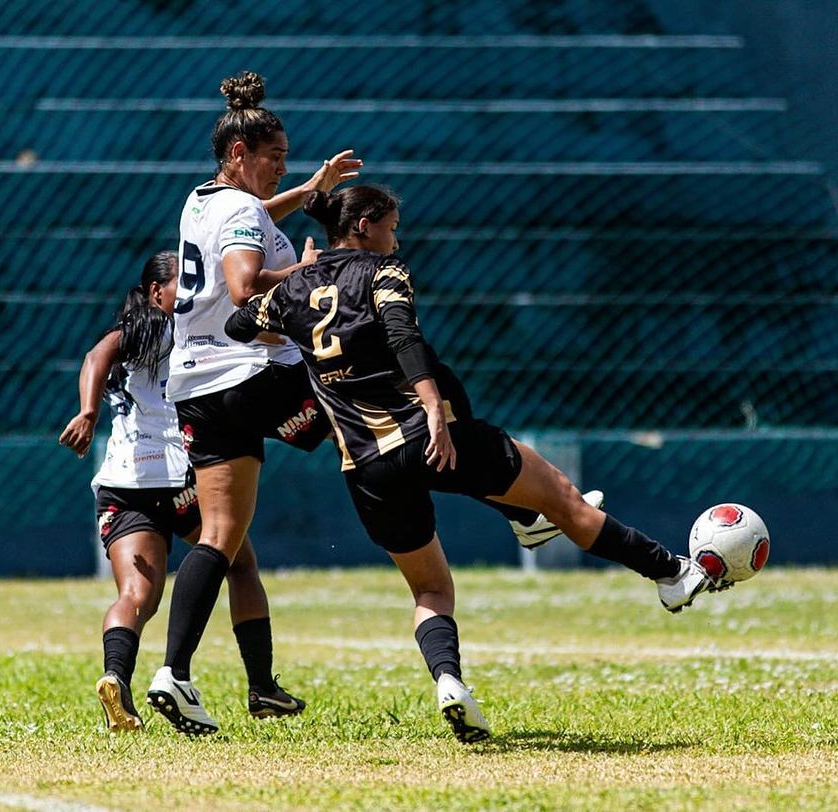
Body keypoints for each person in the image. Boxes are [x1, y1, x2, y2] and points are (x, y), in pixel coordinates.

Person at [223, 184, 716, 743]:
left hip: (366, 469)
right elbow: (403, 336)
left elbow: (238, 325)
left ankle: (450, 683)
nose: (396, 236)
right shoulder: (384, 271)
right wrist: (432, 406)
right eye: (390, 225)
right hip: (432, 436)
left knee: (431, 592)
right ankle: (671, 573)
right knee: (564, 498)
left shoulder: (294, 291)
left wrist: (297, 286)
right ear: (362, 224)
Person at [139, 71, 365, 736]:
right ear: (240, 155)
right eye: (274, 159)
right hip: (250, 374)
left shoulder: (201, 200)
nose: (281, 169)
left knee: (221, 535)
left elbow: (252, 217)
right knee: (379, 410)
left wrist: (311, 191)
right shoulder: (240, 212)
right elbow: (244, 287)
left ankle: (173, 674)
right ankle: (500, 486)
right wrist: (313, 272)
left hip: (199, 386)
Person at [59, 250, 304, 733]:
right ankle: (261, 686)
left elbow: (94, 356)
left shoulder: (139, 331)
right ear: (156, 292)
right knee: (238, 561)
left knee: (137, 594)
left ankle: (115, 677)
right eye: (183, 286)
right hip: (181, 480)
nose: (192, 295)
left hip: (122, 483)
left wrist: (89, 411)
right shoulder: (175, 327)